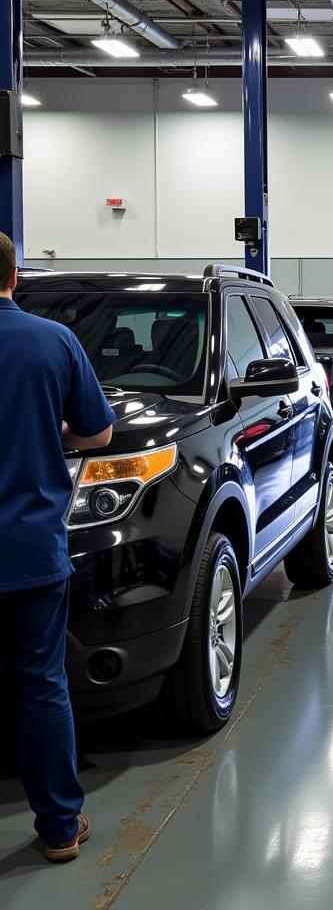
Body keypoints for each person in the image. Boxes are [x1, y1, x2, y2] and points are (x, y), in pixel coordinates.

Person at [0, 233, 116, 863]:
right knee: (42, 686)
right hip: (28, 547)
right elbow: (98, 431)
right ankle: (59, 830)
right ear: (14, 276)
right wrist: (55, 431)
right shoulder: (53, 341)